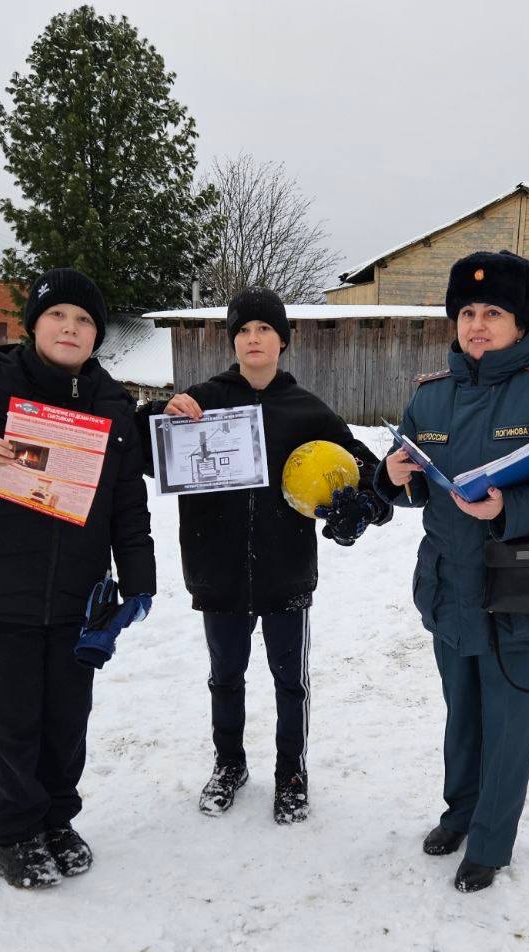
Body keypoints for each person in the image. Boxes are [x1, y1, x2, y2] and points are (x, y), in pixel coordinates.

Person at [374, 250, 529, 893]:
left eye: (493, 312)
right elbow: (412, 476)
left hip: (526, 585)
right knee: (463, 712)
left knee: (510, 719)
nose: (477, 324)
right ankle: (460, 813)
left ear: (522, 321)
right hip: (452, 584)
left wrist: (512, 505)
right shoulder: (432, 394)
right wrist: (392, 476)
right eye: (467, 312)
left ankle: (492, 842)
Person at [0, 268, 155, 889]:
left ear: (97, 335)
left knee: (65, 719)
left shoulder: (110, 403)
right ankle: (15, 834)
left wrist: (139, 578)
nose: (70, 329)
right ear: (36, 325)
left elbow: (127, 501)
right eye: (59, 317)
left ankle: (55, 819)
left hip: (78, 593)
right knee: (8, 720)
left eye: (84, 321)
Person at [136, 286, 391, 824]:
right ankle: (229, 764)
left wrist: (366, 508)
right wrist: (158, 413)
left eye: (265, 330)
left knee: (289, 681)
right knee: (225, 677)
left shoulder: (306, 410)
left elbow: (366, 473)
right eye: (244, 331)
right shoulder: (201, 401)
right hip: (216, 567)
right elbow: (143, 449)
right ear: (234, 341)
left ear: (283, 341)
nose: (254, 339)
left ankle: (291, 772)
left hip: (285, 572)